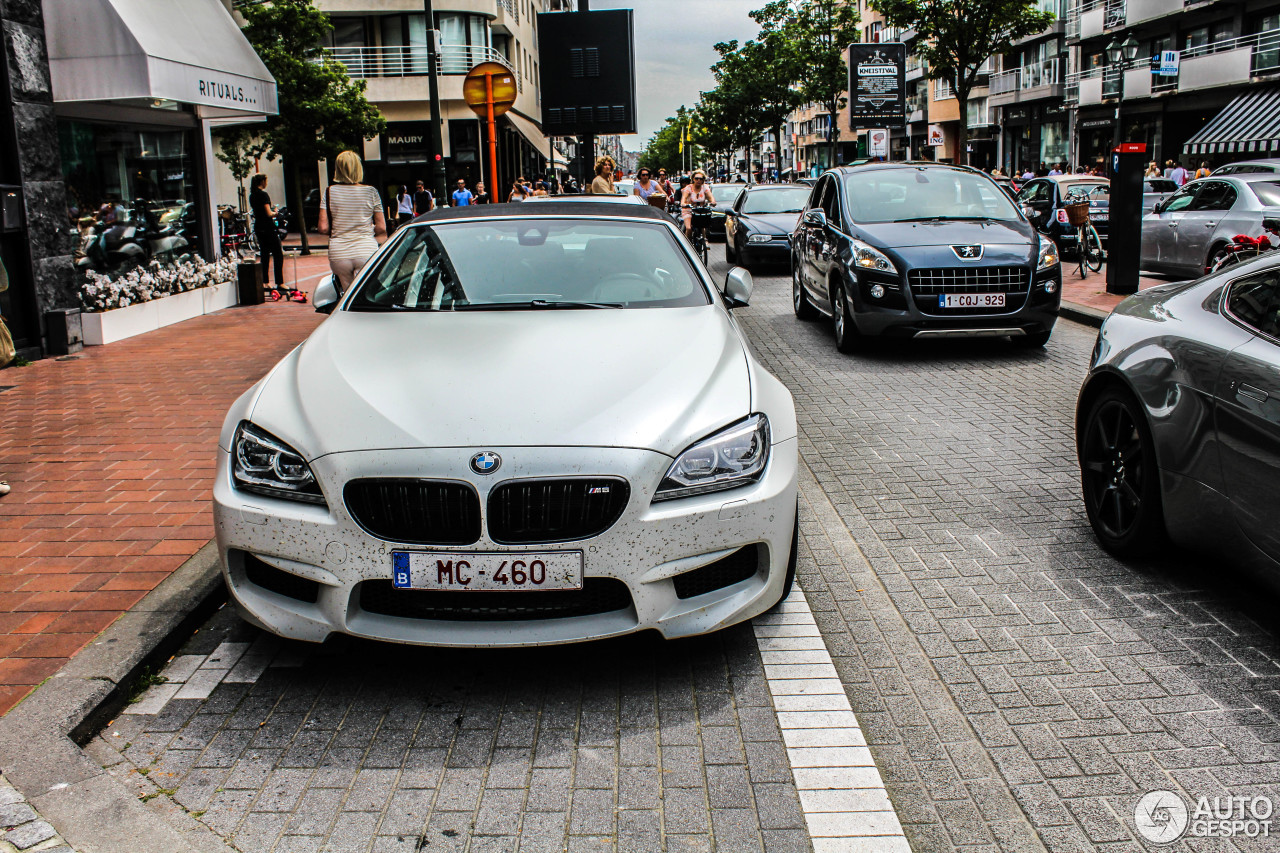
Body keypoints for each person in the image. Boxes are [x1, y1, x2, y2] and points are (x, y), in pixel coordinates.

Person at [318, 150, 386, 292]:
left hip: (340, 252)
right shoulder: (371, 192)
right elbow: (381, 228)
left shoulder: (329, 192)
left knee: (348, 295)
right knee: (367, 293)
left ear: (338, 169)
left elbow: (323, 227)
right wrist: (367, 229)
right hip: (366, 249)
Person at [249, 174, 287, 301]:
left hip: (258, 227)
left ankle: (265, 281)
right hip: (268, 227)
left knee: (264, 254)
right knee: (277, 253)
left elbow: (258, 211)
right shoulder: (263, 195)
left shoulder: (252, 195)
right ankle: (280, 282)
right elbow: (268, 213)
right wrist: (275, 212)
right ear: (262, 182)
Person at [680, 169, 715, 238]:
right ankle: (688, 244)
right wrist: (683, 203)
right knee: (689, 228)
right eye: (696, 178)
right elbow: (684, 198)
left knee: (703, 226)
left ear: (703, 180)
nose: (698, 180)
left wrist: (713, 202)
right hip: (688, 210)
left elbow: (711, 197)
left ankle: (704, 241)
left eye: (700, 179)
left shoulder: (705, 187)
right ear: (693, 179)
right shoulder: (688, 188)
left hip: (700, 210)